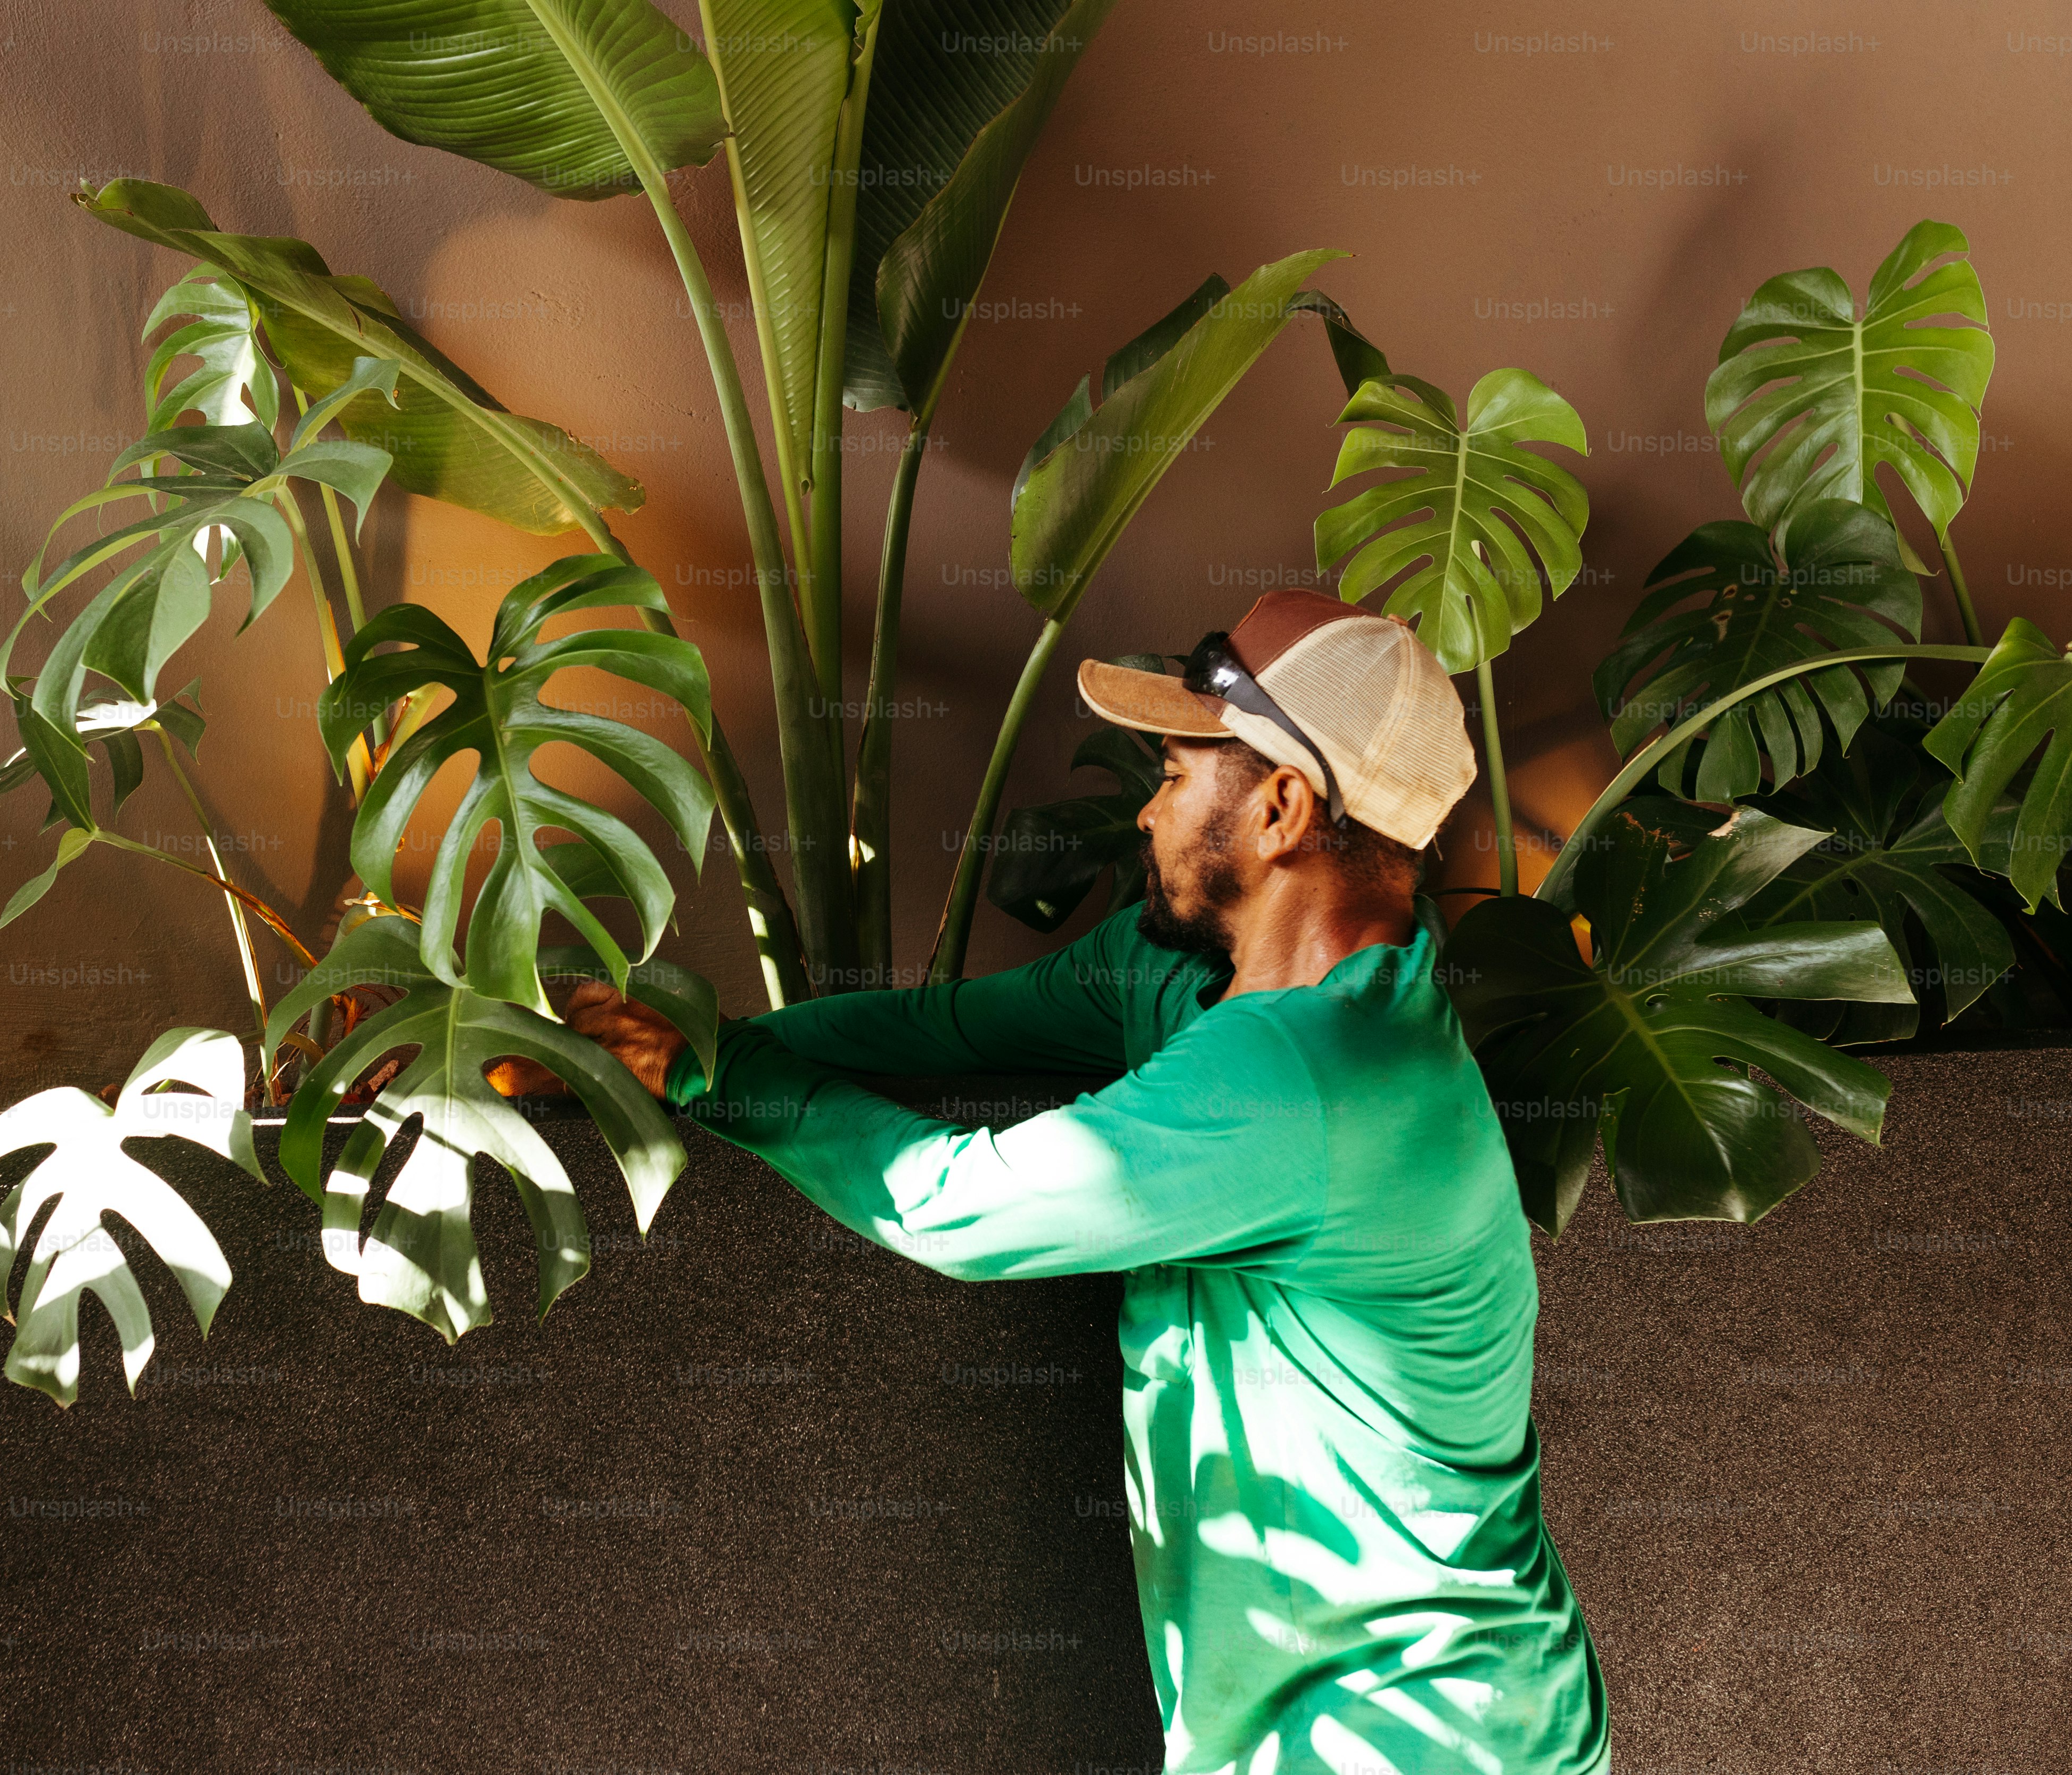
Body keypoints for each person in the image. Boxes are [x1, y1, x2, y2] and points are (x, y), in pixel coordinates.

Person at [521, 589, 1610, 1775]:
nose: (1147, 808)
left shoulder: (1317, 1073)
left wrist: (709, 1071)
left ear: (1282, 809)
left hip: (1426, 1734)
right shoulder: (1187, 977)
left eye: (1177, 774)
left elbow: (949, 1205)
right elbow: (938, 1029)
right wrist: (643, 1041)